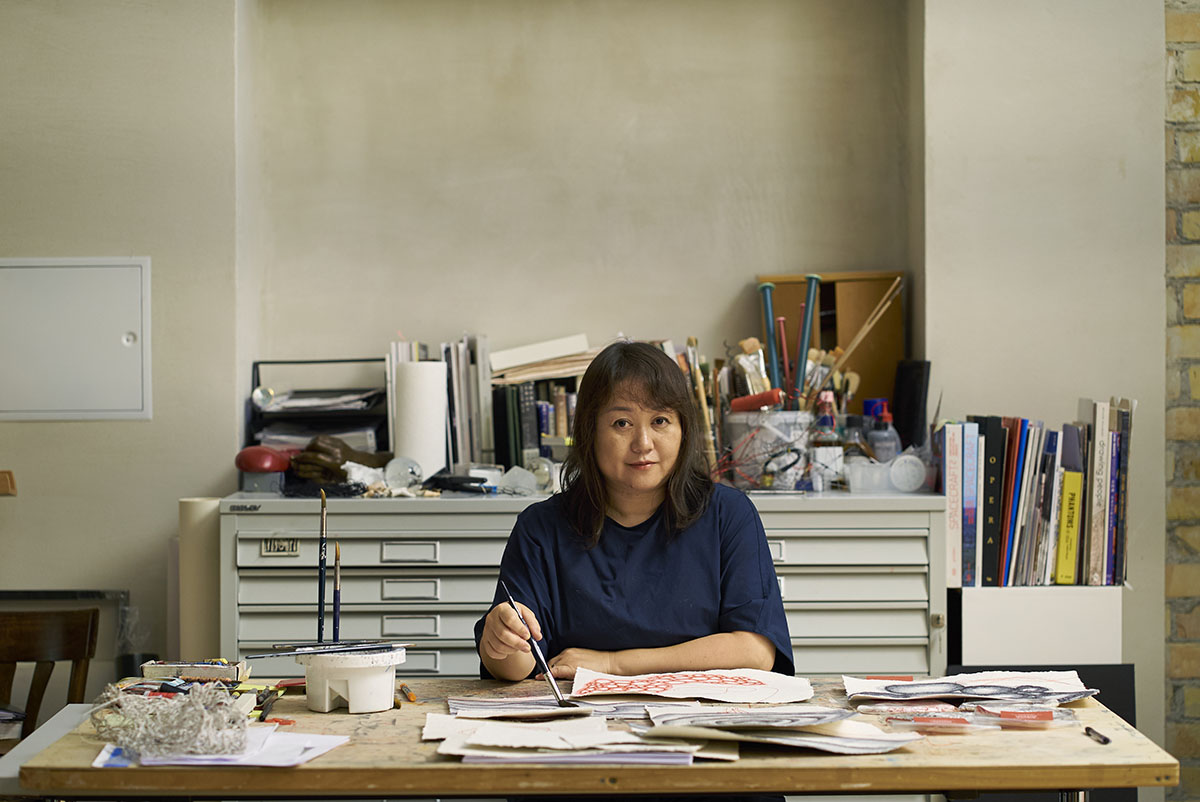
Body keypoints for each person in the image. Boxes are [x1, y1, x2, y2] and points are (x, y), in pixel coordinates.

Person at [473, 340, 793, 802]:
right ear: (589, 431)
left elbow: (755, 650)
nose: (643, 443)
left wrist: (613, 666)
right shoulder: (542, 527)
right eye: (622, 422)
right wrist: (500, 640)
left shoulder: (728, 515)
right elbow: (520, 666)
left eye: (660, 421)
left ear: (683, 428)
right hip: (578, 756)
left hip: (707, 754)